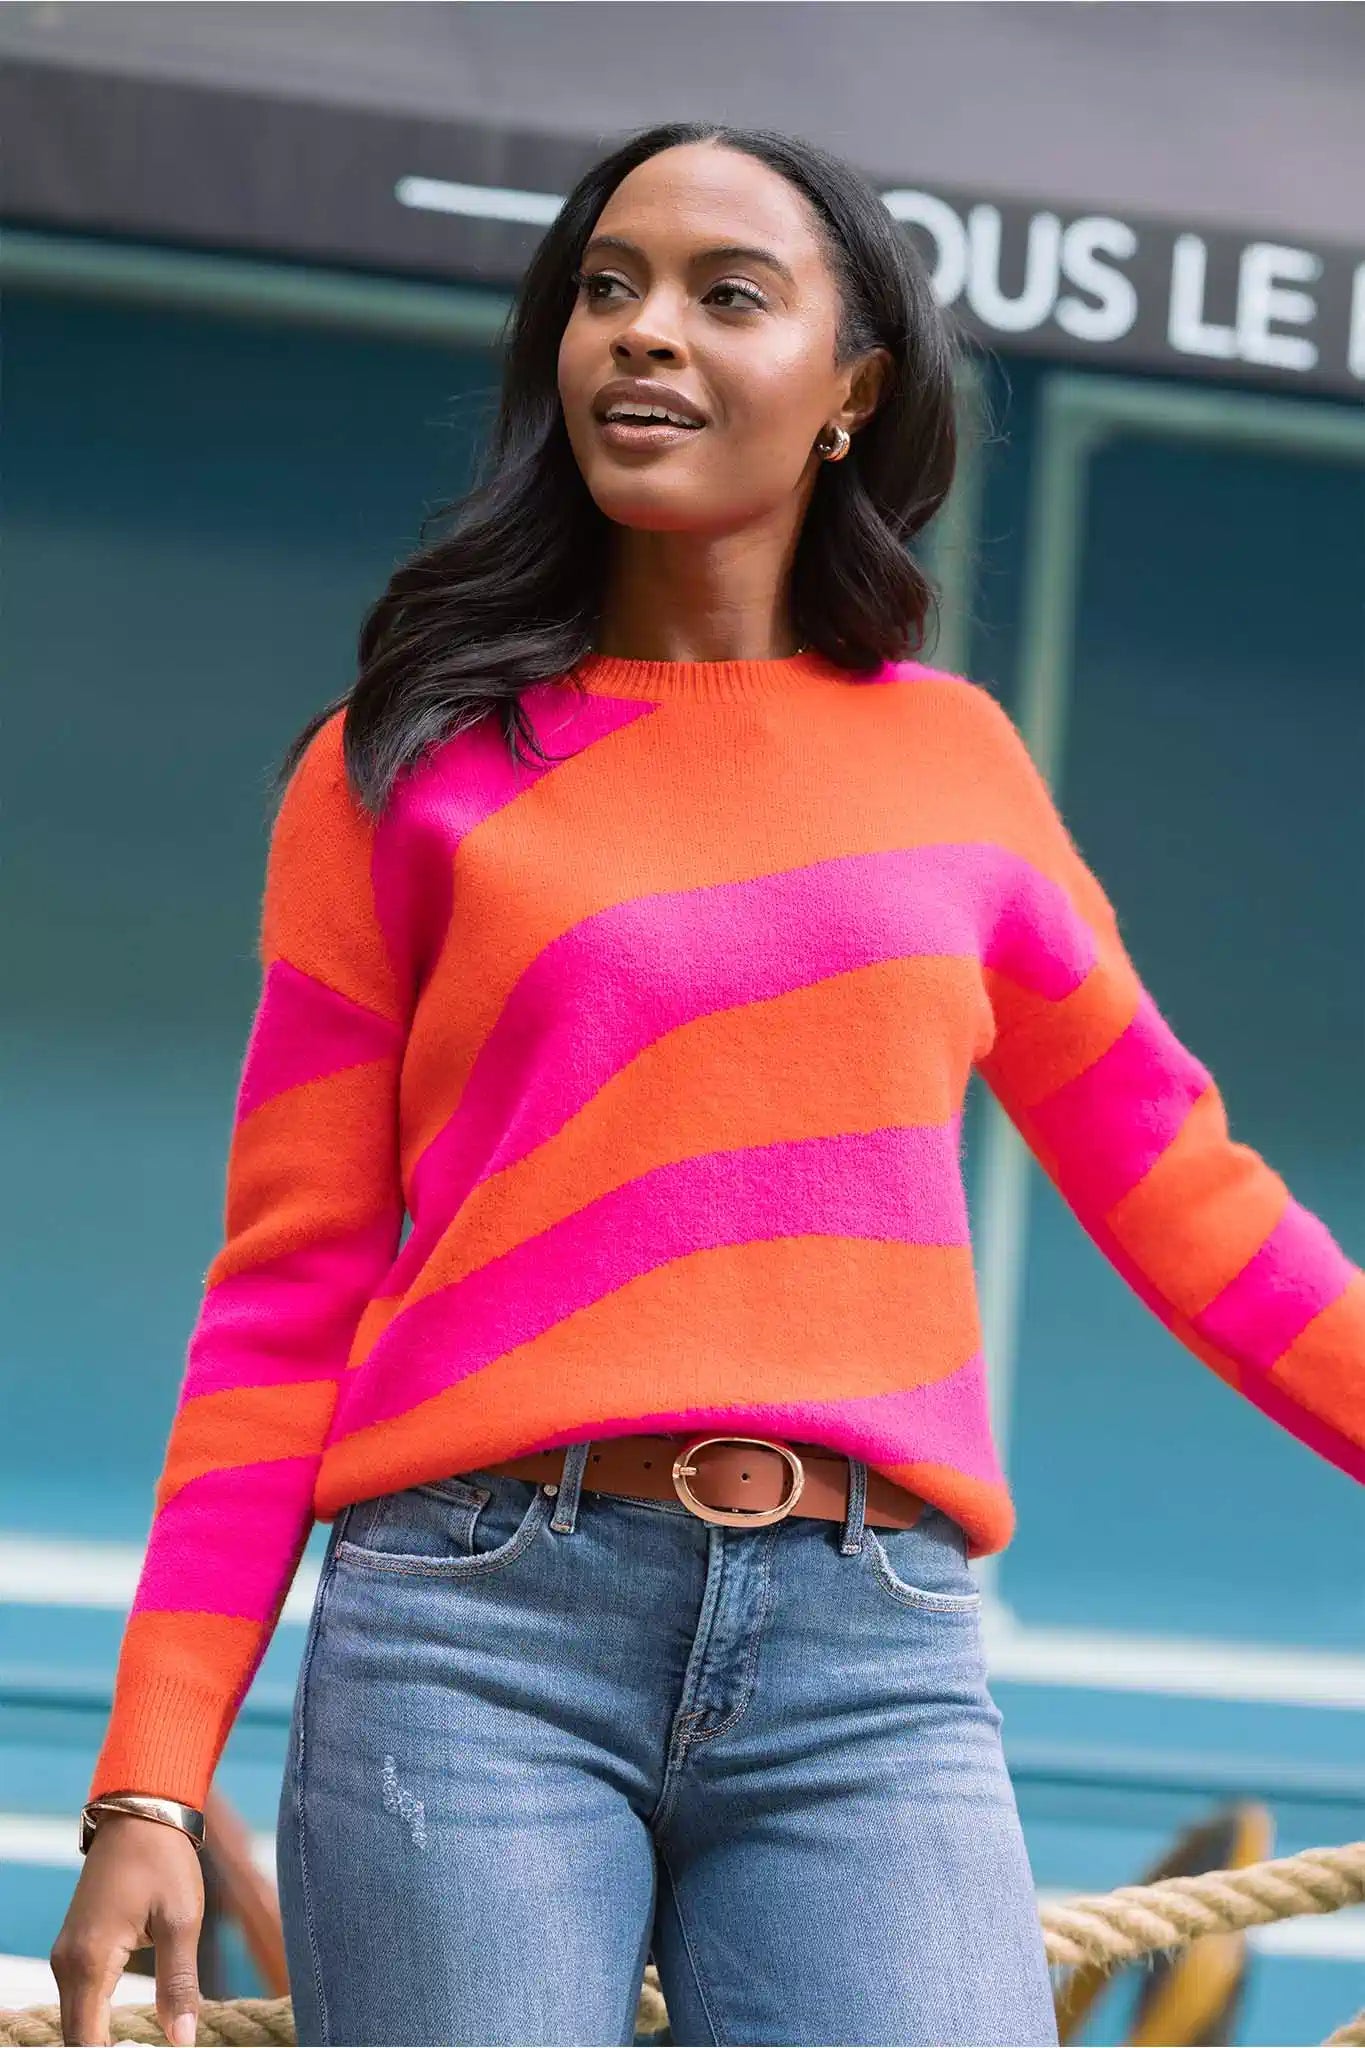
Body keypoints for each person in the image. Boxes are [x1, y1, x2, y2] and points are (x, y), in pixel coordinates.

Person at [52, 120, 1363, 2048]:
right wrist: (152, 1775)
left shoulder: (954, 766)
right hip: (470, 1646)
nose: (640, 334)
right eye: (605, 287)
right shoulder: (403, 766)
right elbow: (284, 1295)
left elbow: (1187, 1191)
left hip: (875, 1662)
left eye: (722, 296)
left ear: (852, 394)